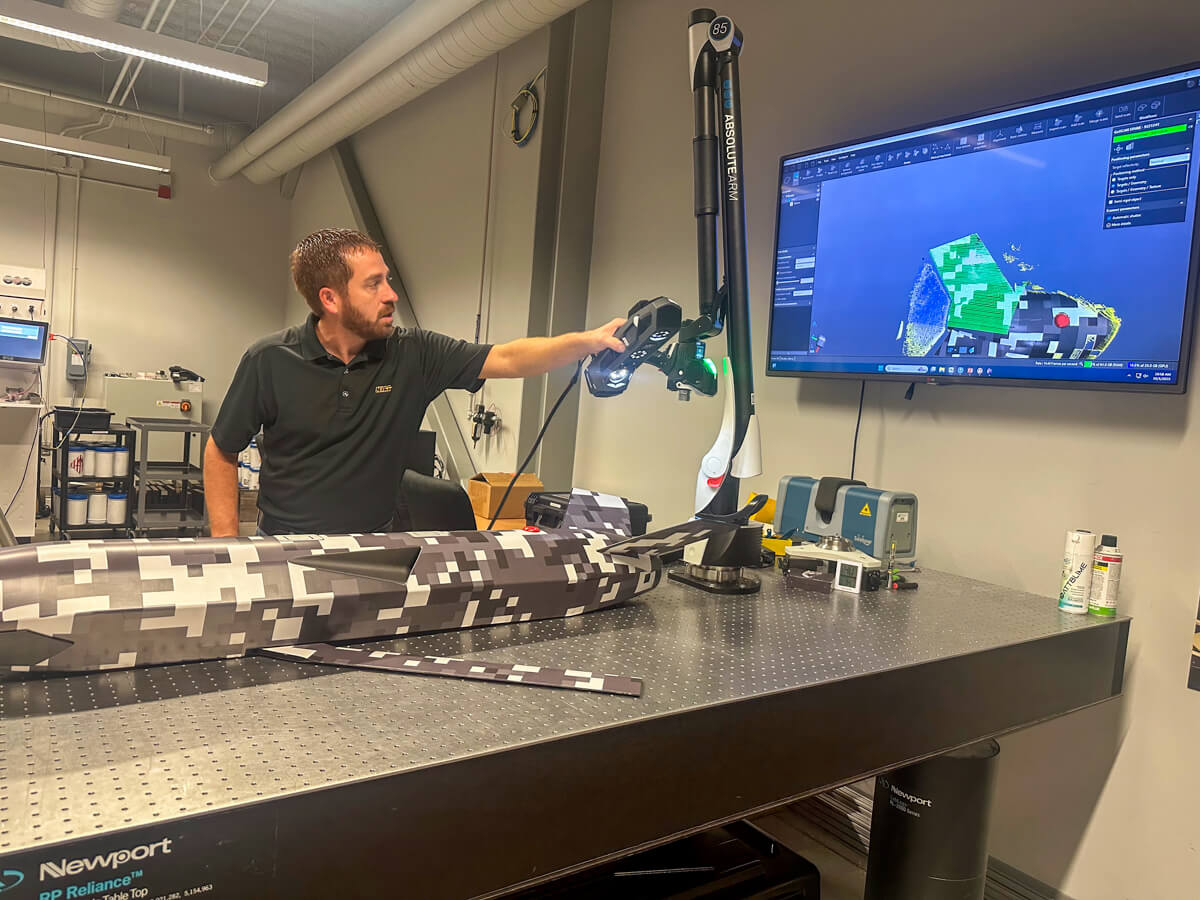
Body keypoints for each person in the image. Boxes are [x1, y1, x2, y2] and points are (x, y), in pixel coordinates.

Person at [205, 228, 623, 537]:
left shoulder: (415, 354)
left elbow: (509, 357)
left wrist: (585, 342)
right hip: (284, 548)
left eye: (387, 279)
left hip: (378, 550)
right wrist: (227, 550)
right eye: (374, 284)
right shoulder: (270, 360)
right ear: (330, 299)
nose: (392, 295)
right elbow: (222, 449)